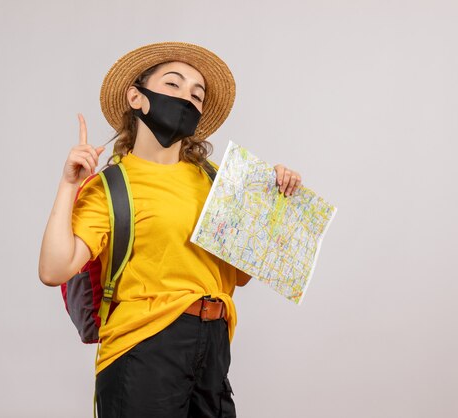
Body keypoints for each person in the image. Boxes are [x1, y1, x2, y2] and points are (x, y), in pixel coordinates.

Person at [38, 42, 302, 418]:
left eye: (197, 94)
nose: (187, 98)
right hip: (143, 347)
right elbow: (53, 270)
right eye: (174, 85)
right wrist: (68, 185)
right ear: (137, 97)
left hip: (213, 346)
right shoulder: (113, 185)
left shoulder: (217, 182)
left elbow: (241, 275)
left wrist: (270, 199)